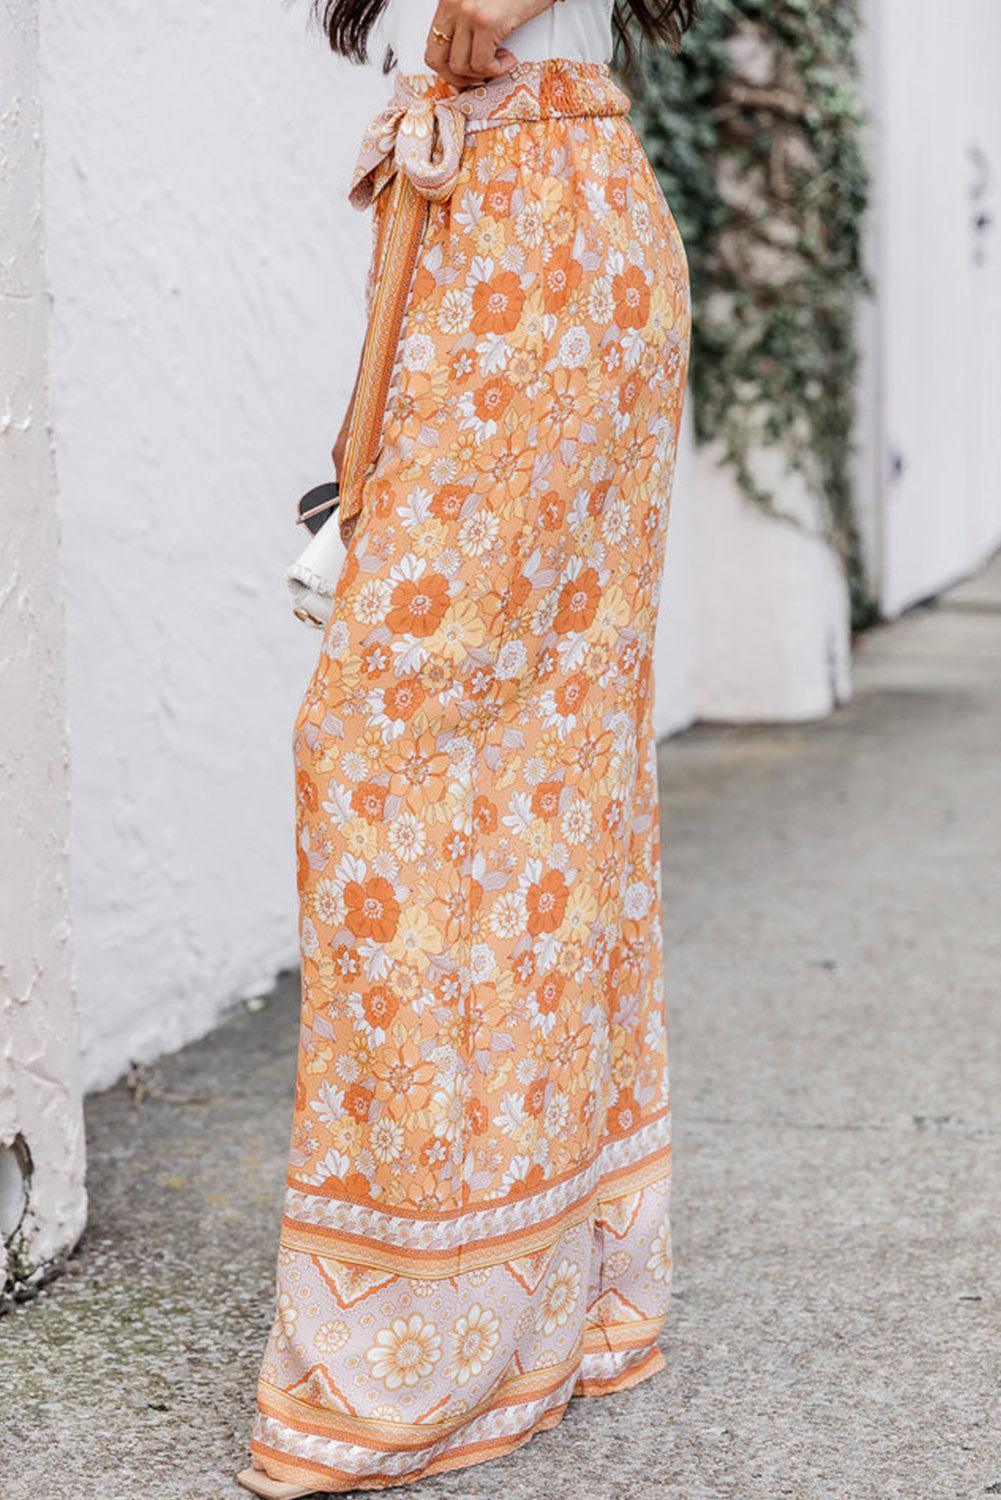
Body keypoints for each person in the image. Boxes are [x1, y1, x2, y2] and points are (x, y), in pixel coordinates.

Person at [239, 0, 694, 1493]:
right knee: (536, 769)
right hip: (513, 254)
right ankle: (546, 1286)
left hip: (545, 258)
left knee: (403, 757)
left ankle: (448, 1321)